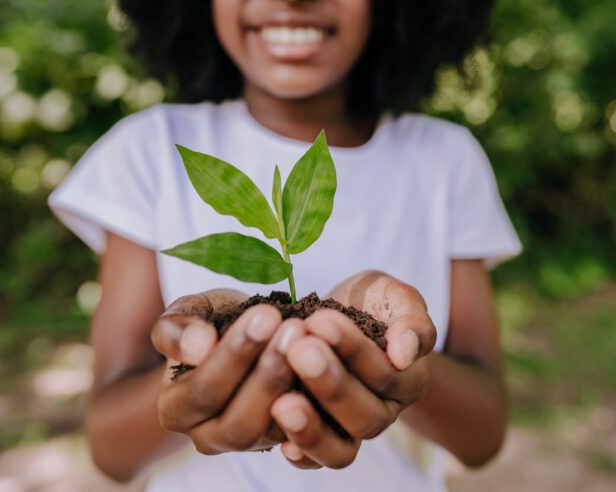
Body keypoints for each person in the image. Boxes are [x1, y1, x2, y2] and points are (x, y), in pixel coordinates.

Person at [48, 0, 522, 490]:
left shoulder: (445, 160)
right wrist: (203, 374)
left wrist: (396, 361)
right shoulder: (148, 152)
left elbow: (483, 435)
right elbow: (109, 447)